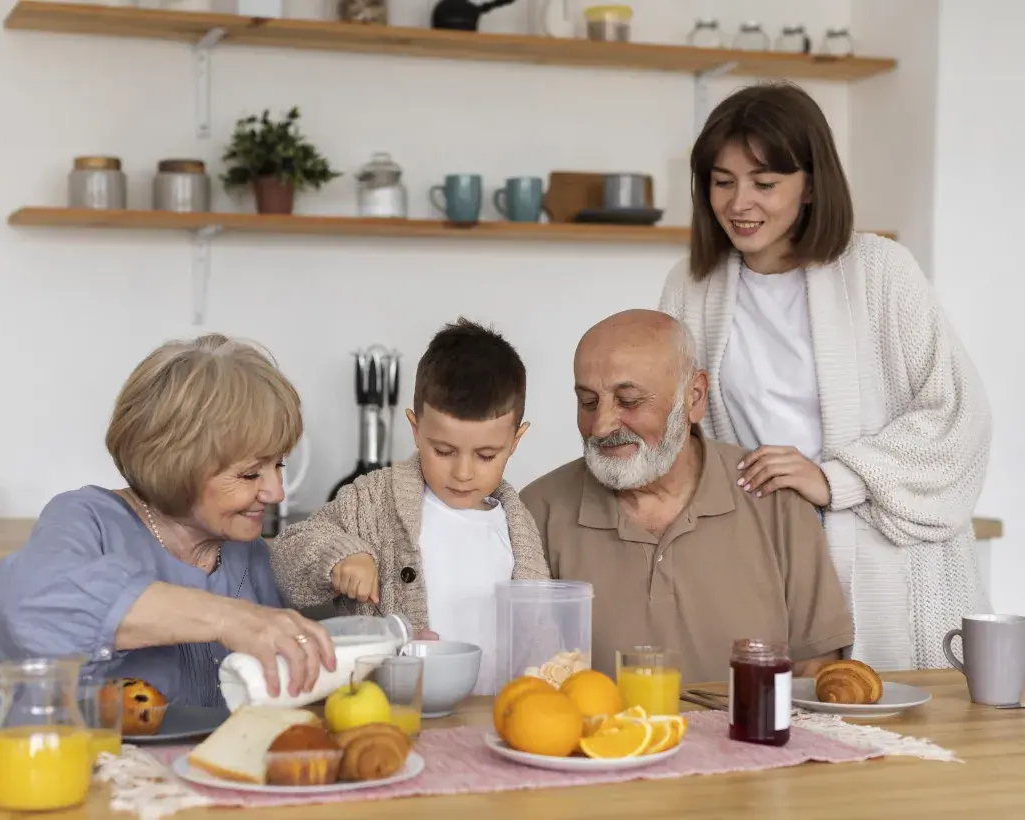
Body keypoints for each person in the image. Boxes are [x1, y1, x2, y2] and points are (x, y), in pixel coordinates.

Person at [657, 82, 992, 671]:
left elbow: (957, 416)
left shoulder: (881, 271)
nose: (740, 203)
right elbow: (682, 427)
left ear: (810, 185)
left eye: (765, 183)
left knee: (903, 746)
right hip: (766, 558)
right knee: (775, 742)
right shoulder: (691, 288)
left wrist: (835, 479)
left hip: (889, 563)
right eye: (722, 180)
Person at [0, 334, 335, 724]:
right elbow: (28, 609)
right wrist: (227, 619)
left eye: (278, 465)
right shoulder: (87, 518)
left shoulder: (248, 555)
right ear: (179, 464)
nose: (276, 491)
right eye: (250, 473)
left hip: (154, 780)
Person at [520, 310, 854, 685]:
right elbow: (527, 678)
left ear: (693, 397)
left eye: (628, 401)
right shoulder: (536, 511)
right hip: (605, 741)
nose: (601, 426)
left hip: (747, 741)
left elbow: (817, 672)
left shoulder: (776, 500)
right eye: (588, 402)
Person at [270, 318, 550, 694]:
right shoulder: (373, 500)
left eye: (486, 455)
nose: (463, 472)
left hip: (496, 715)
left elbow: (542, 631)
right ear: (415, 428)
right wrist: (340, 556)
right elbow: (287, 554)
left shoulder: (518, 526)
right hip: (394, 710)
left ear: (516, 441)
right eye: (443, 450)